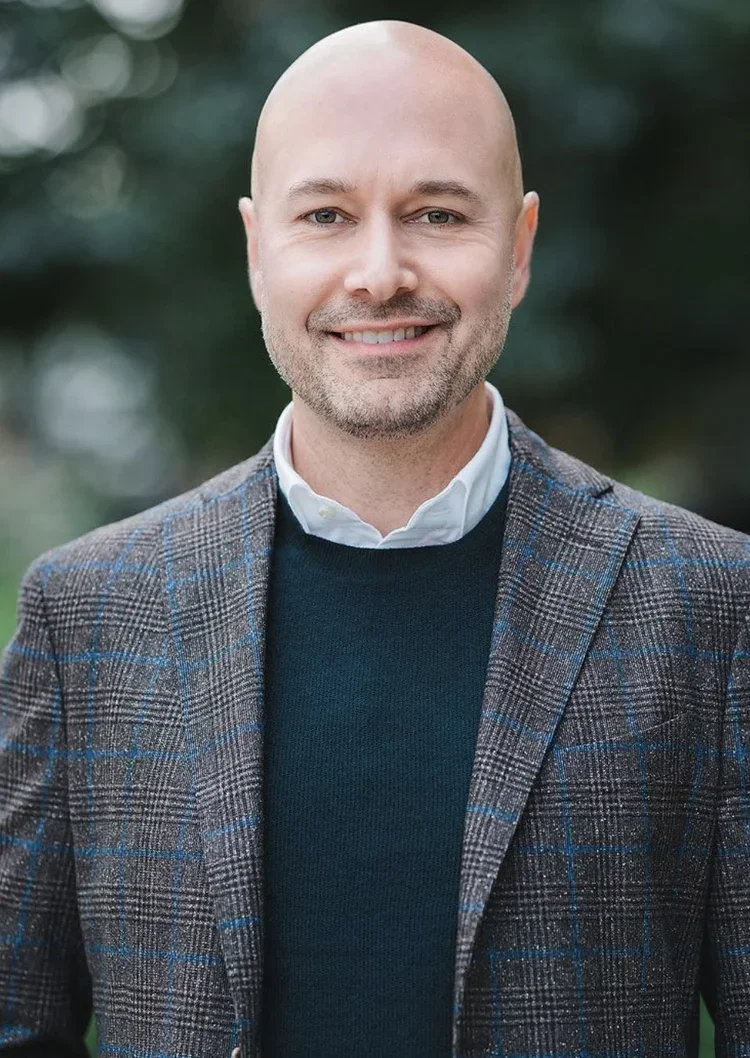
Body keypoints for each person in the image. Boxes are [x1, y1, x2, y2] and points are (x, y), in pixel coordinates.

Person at [1, 17, 749, 1058]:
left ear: (519, 247)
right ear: (257, 250)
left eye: (438, 213)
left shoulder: (711, 605)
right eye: (327, 215)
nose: (381, 272)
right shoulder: (85, 615)